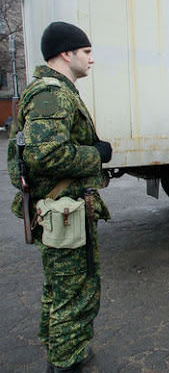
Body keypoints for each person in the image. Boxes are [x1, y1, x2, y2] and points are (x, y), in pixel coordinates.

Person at [6, 21, 113, 372]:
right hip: (62, 212)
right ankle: (65, 362)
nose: (91, 59)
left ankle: (68, 350)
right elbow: (45, 155)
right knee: (71, 290)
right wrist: (96, 154)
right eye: (86, 52)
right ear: (66, 53)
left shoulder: (54, 90)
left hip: (67, 211)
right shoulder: (51, 93)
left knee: (64, 287)